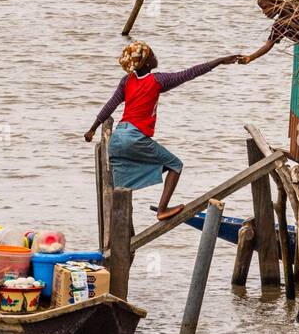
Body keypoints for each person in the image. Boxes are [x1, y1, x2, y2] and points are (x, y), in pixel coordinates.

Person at [85, 41, 240, 219]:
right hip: (134, 136)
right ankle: (162, 210)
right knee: (175, 165)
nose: (155, 58)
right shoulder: (157, 80)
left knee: (120, 186)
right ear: (147, 63)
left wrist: (92, 130)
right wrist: (220, 60)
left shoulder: (127, 81)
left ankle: (118, 225)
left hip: (117, 138)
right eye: (152, 56)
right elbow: (189, 74)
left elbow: (110, 105)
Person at [238, 0, 299, 64]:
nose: (264, 12)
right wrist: (250, 57)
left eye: (265, 7)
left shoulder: (297, 7)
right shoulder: (279, 25)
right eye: (262, 9)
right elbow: (268, 45)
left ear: (277, 1)